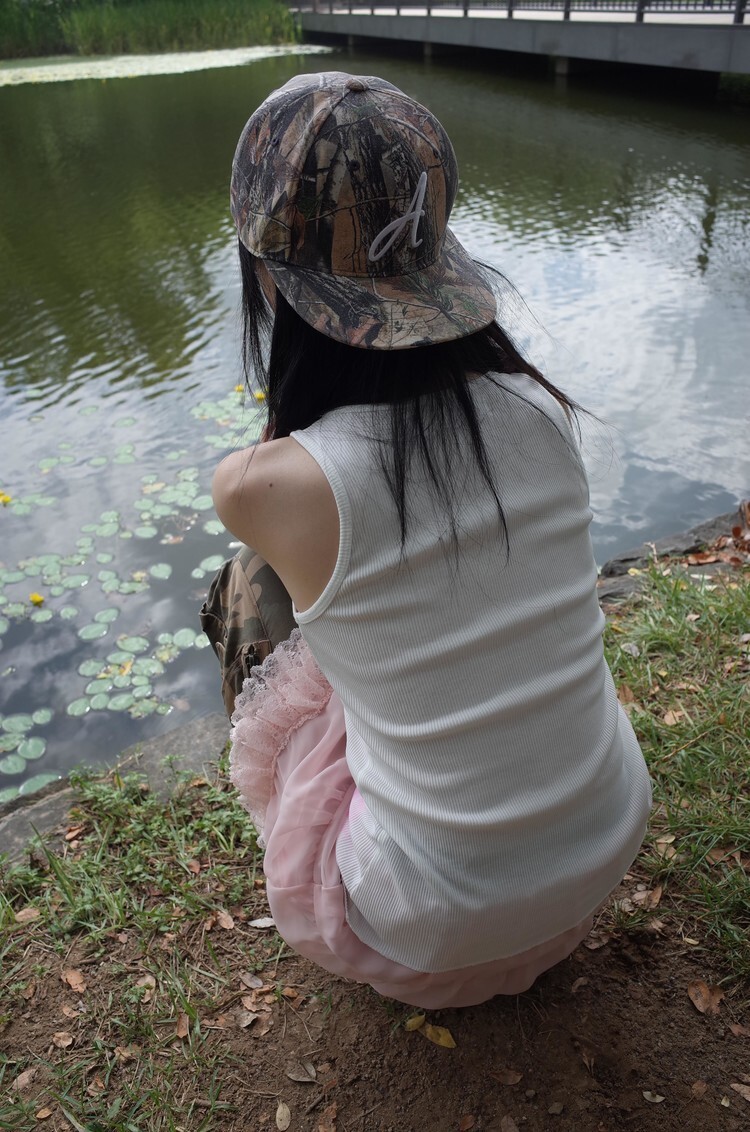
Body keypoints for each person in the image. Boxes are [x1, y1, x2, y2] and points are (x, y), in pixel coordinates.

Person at [201, 71, 652, 1010]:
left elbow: (322, 496)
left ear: (265, 274)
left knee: (249, 584)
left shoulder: (260, 487)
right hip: (599, 854)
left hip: (423, 927)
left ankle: (319, 832)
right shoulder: (543, 409)